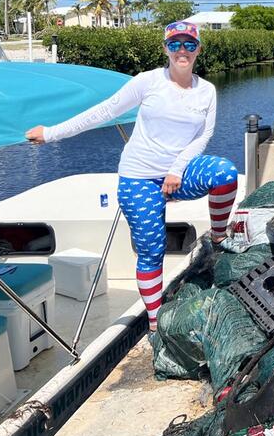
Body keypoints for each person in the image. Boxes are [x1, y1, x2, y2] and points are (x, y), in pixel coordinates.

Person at [25, 22, 237, 331]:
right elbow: (104, 112)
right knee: (152, 249)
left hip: (179, 173)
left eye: (189, 45)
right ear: (165, 48)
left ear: (198, 50)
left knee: (225, 173)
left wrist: (176, 170)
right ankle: (155, 322)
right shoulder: (148, 82)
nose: (182, 50)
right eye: (175, 44)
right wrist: (51, 133)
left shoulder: (206, 90)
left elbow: (203, 137)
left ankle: (218, 236)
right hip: (139, 177)